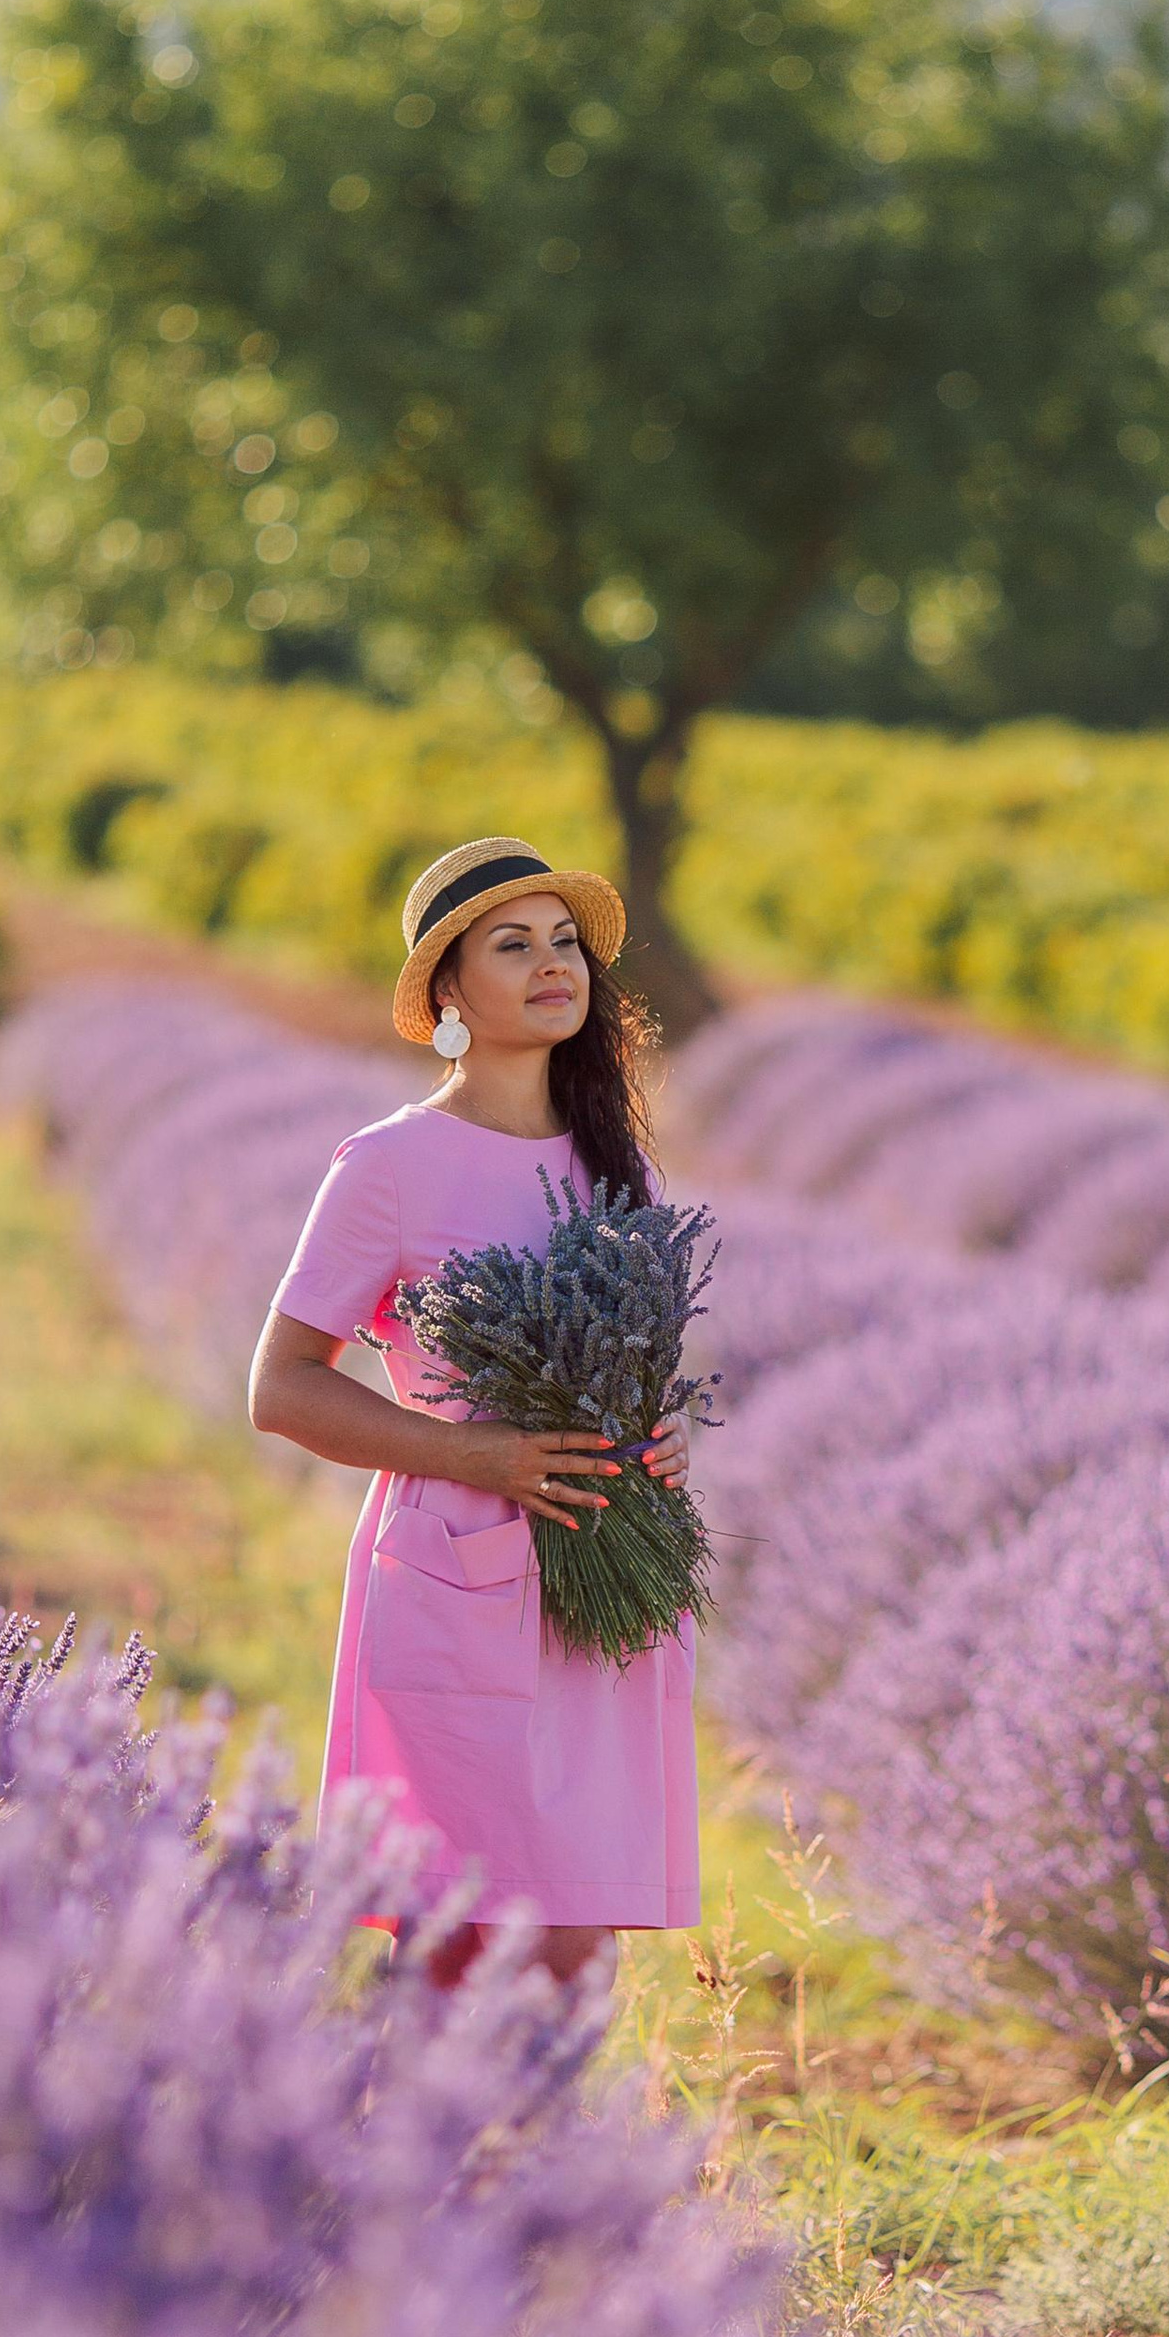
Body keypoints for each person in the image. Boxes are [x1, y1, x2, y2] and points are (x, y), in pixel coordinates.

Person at [248, 835, 699, 2000]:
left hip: (599, 1577)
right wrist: (473, 1453)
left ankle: (542, 2182)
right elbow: (283, 1384)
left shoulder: (613, 1160)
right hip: (457, 1576)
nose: (555, 965)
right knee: (462, 1942)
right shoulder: (389, 1164)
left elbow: (633, 1366)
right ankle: (408, 2176)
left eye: (567, 944)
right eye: (515, 945)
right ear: (448, 989)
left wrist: (657, 1442)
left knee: (575, 1951)